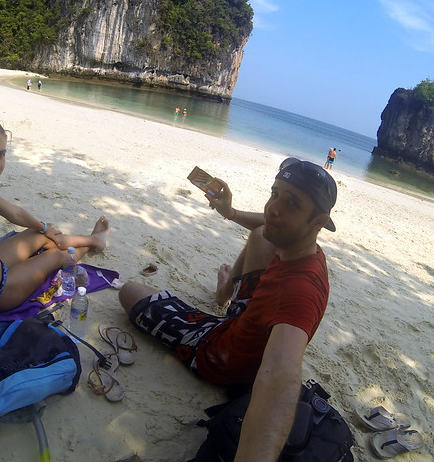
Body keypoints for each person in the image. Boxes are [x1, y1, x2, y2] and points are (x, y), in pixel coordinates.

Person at [118, 158, 336, 461]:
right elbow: (265, 223)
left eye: (292, 203)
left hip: (221, 355)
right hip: (248, 319)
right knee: (262, 233)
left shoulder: (300, 293)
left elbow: (281, 373)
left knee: (130, 292)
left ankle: (222, 302)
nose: (274, 207)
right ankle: (225, 291)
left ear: (318, 222)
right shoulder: (304, 249)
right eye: (274, 193)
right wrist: (229, 213)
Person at [0, 117, 110, 352]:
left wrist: (44, 227)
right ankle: (89, 244)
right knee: (58, 256)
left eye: (1, 154)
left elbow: (14, 212)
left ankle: (93, 239)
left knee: (42, 235)